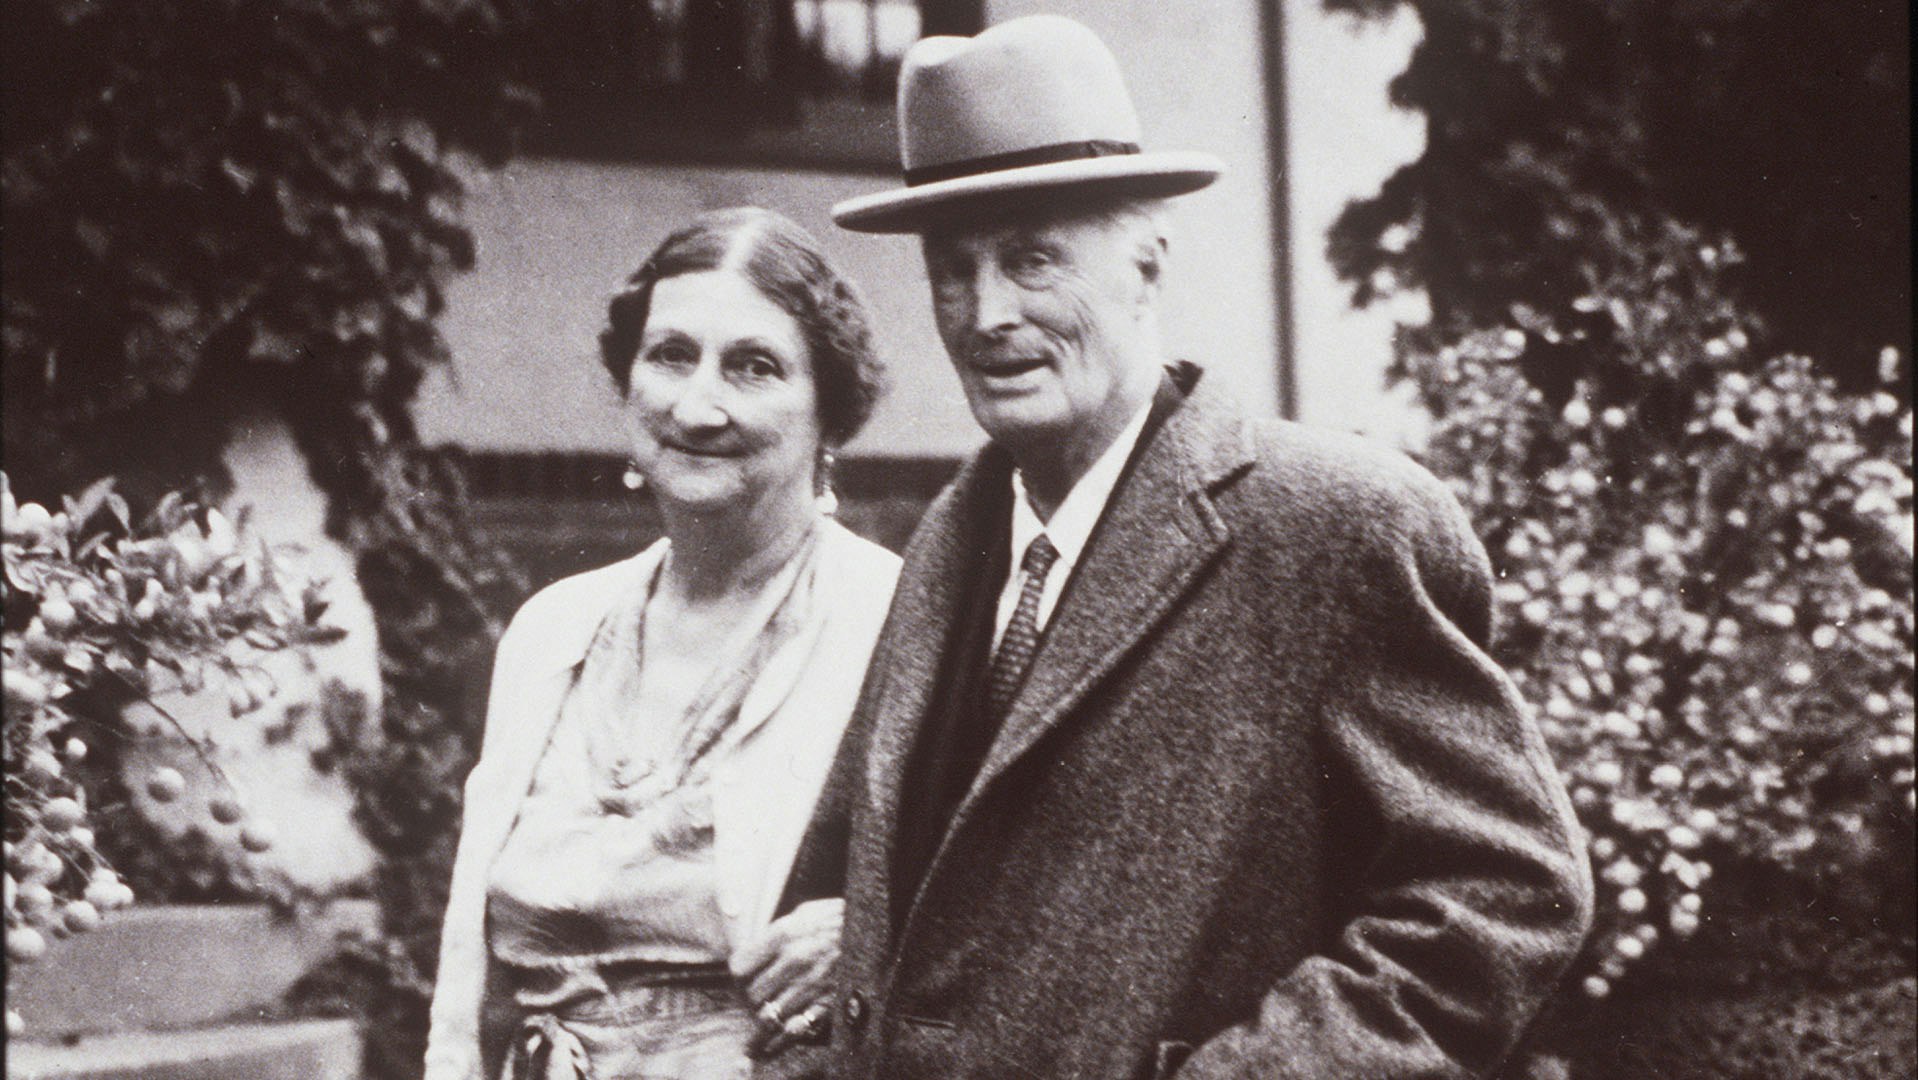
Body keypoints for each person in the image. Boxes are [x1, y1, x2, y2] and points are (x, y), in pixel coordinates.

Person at [803, 15, 1595, 1079]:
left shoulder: (1332, 524)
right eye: (955, 269)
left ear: (1145, 262)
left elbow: (1503, 891)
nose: (988, 312)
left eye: (1034, 259)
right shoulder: (948, 545)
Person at [424, 208, 901, 1080]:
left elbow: (1007, 887)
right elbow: (472, 976)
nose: (697, 404)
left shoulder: (892, 619)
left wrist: (878, 929)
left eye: (753, 367)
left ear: (830, 414)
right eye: (671, 354)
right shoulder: (555, 628)